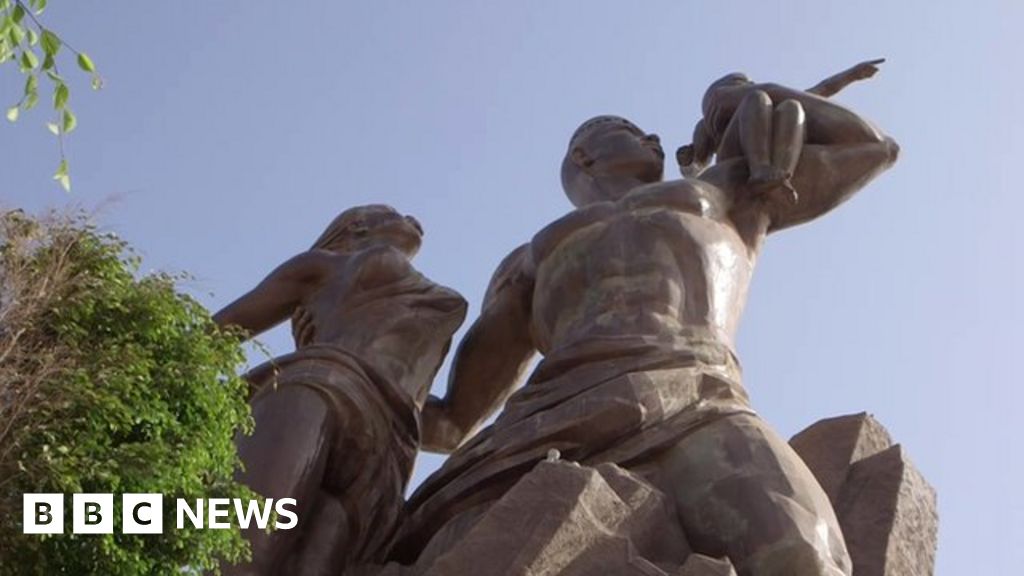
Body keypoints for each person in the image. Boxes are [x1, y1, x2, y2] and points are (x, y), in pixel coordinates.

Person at [399, 82, 898, 574]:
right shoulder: (531, 258)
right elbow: (451, 420)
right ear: (583, 156)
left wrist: (746, 93)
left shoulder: (722, 190)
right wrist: (350, 373)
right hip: (551, 419)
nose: (655, 138)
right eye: (629, 130)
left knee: (799, 553)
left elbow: (870, 147)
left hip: (700, 399)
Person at [213, 205, 467, 576]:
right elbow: (221, 330)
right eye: (394, 212)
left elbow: (448, 430)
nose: (414, 218)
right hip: (314, 391)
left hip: (388, 450)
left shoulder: (440, 299)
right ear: (358, 225)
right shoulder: (323, 265)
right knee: (245, 554)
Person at [678, 59, 886, 200]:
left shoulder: (772, 102)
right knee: (756, 98)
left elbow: (819, 91)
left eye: (748, 83)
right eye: (740, 84)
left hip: (774, 157)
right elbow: (697, 167)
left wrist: (852, 75)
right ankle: (760, 169)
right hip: (735, 157)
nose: (748, 85)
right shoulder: (709, 122)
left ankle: (783, 175)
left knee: (793, 106)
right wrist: (688, 160)